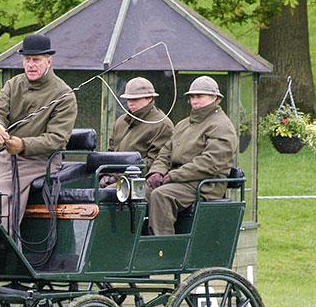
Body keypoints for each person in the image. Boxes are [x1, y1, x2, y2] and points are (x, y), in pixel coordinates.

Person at [0, 33, 77, 234]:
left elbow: (57, 139)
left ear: (49, 61)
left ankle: (3, 245)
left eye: (36, 60)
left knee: (3, 195)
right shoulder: (13, 84)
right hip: (7, 157)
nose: (31, 65)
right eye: (27, 60)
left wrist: (23, 145)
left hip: (41, 161)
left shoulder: (64, 95)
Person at [145, 76, 238, 235]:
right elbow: (165, 152)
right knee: (139, 192)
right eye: (192, 97)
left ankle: (164, 249)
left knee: (161, 195)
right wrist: (157, 172)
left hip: (205, 183)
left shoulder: (221, 126)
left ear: (214, 97)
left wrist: (174, 175)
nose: (195, 101)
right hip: (179, 179)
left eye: (199, 96)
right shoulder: (184, 124)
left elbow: (211, 163)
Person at [98, 77, 174, 188]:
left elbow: (155, 162)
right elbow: (111, 152)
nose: (130, 104)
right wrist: (105, 173)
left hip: (140, 181)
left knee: (104, 194)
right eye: (128, 100)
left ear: (149, 98)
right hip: (115, 178)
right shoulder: (121, 122)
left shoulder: (162, 124)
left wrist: (117, 176)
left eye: (135, 99)